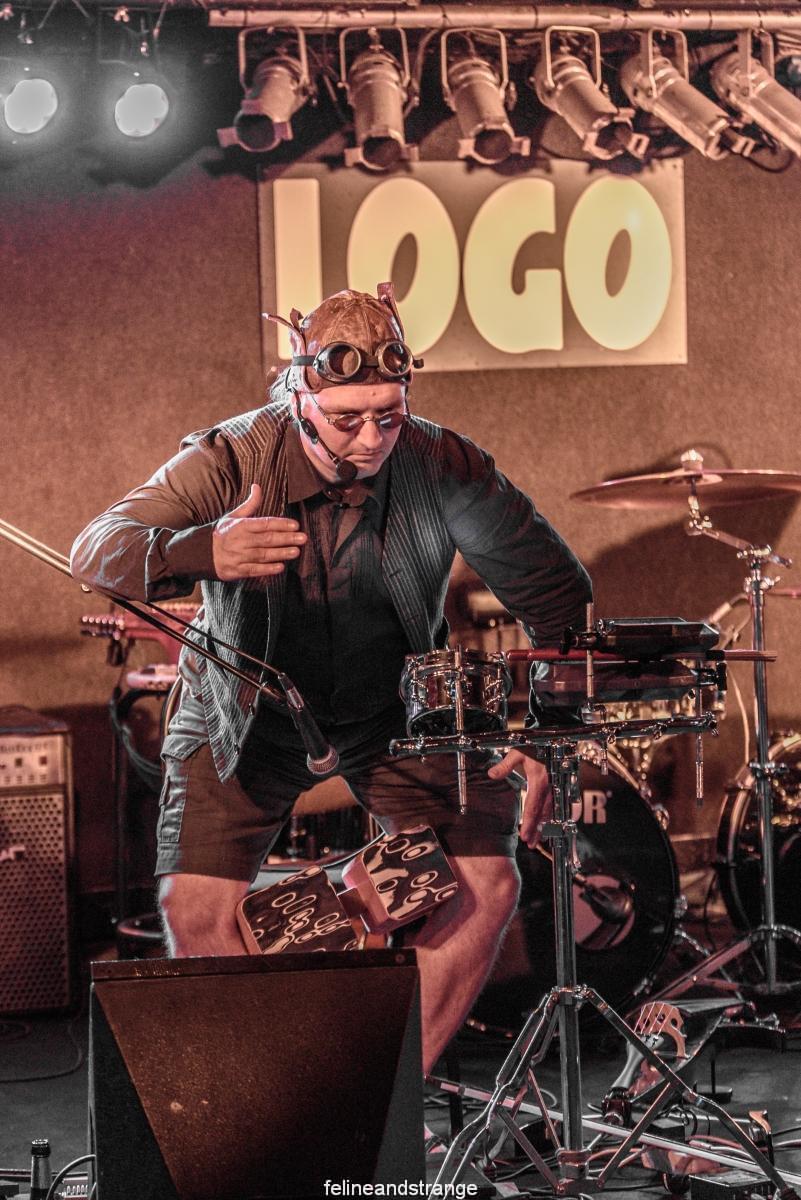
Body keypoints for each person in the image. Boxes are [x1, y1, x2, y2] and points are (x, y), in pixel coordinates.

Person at [71, 282, 592, 1077]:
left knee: (484, 881)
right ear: (299, 397)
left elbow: (556, 593)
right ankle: (286, 1108)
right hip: (243, 710)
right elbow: (96, 548)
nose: (373, 437)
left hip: (393, 711)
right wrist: (203, 551)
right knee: (194, 913)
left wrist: (553, 732)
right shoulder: (232, 455)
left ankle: (379, 1104)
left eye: (390, 414)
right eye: (347, 419)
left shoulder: (441, 462)